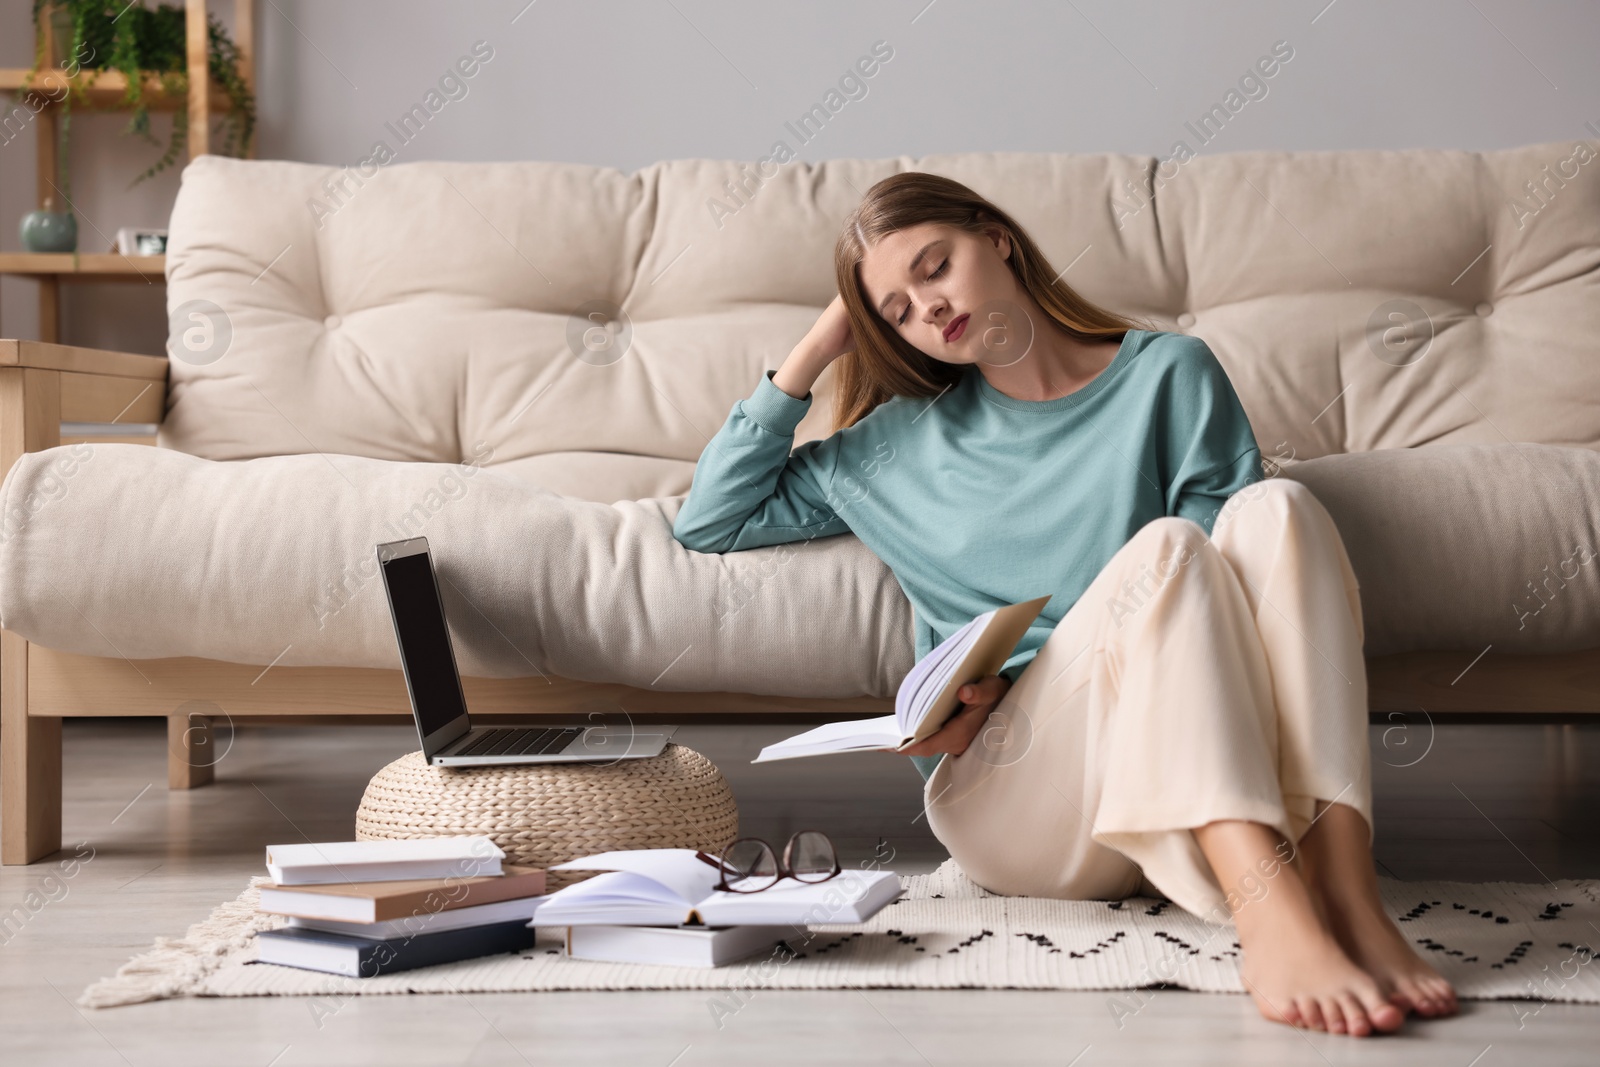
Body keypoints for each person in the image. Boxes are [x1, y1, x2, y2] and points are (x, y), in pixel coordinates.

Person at [670, 171, 1458, 1036]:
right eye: (894, 311)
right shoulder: (889, 448)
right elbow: (714, 518)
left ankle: (1347, 891)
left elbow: (1235, 596)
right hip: (1017, 797)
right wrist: (821, 344)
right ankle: (1267, 905)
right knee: (1166, 548)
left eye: (935, 268)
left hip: (1178, 770)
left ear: (997, 239)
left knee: (1278, 510)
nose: (927, 309)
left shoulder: (1169, 374)